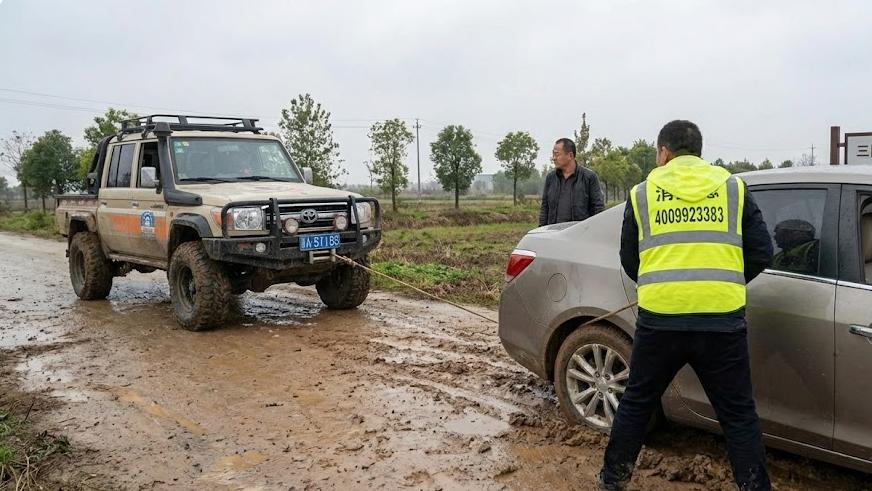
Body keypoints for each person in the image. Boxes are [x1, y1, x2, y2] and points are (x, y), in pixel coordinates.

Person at [598, 120, 774, 491]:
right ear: (699, 151)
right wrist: (720, 282)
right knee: (739, 415)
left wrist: (663, 284)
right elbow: (762, 251)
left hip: (661, 320)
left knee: (637, 402)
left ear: (663, 152)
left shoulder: (643, 193)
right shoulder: (732, 188)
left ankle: (612, 483)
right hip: (721, 322)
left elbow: (631, 260)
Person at [539, 138, 604, 226]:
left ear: (570, 155)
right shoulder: (551, 178)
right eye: (553, 154)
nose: (554, 158)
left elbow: (598, 208)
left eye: (557, 154)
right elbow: (545, 208)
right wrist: (542, 231)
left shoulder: (589, 177)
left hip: (579, 233)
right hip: (554, 233)